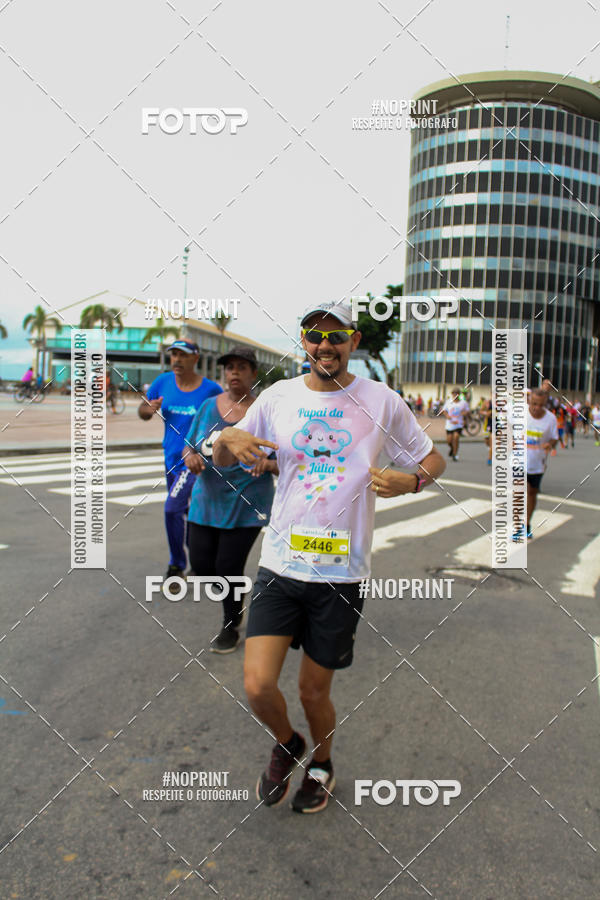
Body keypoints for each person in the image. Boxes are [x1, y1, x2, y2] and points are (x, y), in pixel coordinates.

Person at [213, 300, 446, 814]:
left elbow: (433, 455)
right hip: (280, 563)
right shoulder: (278, 396)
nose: (325, 346)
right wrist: (226, 436)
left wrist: (414, 480)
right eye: (315, 336)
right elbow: (228, 451)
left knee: (314, 693)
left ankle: (321, 762)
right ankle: (288, 742)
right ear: (304, 341)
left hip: (341, 574)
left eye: (336, 337)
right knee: (257, 685)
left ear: (353, 342)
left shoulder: (380, 401)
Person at [183, 348, 277, 653]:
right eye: (230, 368)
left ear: (253, 373)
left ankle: (230, 625)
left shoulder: (264, 413)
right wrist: (191, 457)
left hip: (247, 502)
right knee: (200, 563)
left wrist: (268, 464)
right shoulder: (209, 407)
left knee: (228, 567)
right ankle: (232, 596)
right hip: (206, 501)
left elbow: (283, 459)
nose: (234, 372)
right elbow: (188, 446)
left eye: (242, 367)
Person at [138, 340, 222, 578]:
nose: (176, 359)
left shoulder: (211, 390)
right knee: (186, 512)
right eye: (173, 355)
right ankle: (201, 561)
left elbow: (223, 418)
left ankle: (177, 565)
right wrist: (149, 409)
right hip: (170, 458)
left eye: (182, 355)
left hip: (194, 462)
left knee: (172, 509)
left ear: (195, 359)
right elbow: (142, 411)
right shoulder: (162, 382)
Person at [514, 387, 558, 541]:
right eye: (534, 404)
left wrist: (550, 444)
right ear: (529, 401)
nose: (537, 408)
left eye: (541, 405)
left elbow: (554, 437)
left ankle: (527, 523)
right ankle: (518, 525)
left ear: (546, 404)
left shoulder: (551, 419)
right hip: (518, 460)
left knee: (532, 493)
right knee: (519, 491)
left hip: (538, 462)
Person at [442, 388, 470, 461]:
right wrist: (447, 415)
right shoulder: (448, 402)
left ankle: (455, 454)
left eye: (456, 393)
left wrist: (464, 414)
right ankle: (452, 448)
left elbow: (467, 411)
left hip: (459, 424)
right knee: (449, 440)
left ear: (459, 394)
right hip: (450, 424)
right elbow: (444, 410)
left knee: (456, 437)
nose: (454, 395)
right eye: (453, 393)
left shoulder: (463, 403)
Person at [482, 397, 492, 465]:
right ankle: (490, 449)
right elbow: (481, 410)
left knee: (492, 442)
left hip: (497, 424)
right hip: (488, 424)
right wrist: (486, 413)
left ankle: (490, 458)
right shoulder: (487, 402)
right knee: (486, 440)